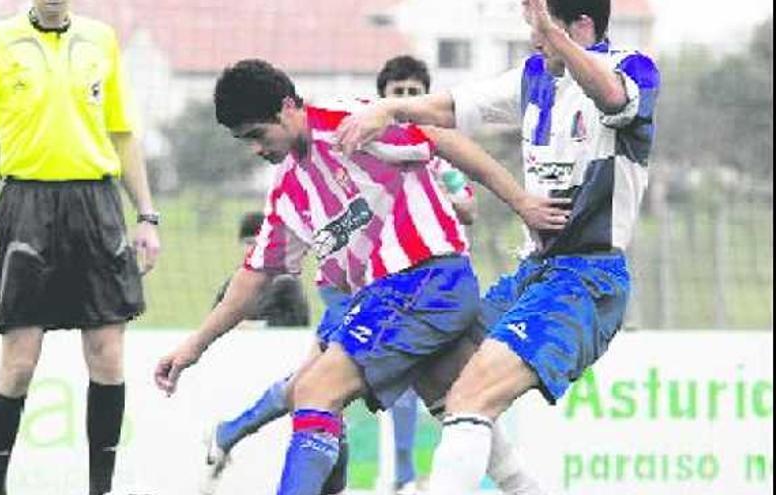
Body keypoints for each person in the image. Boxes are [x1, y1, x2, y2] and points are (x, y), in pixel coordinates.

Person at [154, 58, 567, 495]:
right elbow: (255, 275)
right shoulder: (288, 188)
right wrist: (193, 346)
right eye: (245, 141)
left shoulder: (345, 124)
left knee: (314, 390)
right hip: (389, 297)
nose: (256, 148)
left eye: (258, 134)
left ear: (289, 106)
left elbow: (441, 137)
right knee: (462, 410)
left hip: (426, 280)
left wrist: (521, 201)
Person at [335, 0, 660, 492]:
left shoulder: (630, 69)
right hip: (534, 274)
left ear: (581, 26)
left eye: (539, 28)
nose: (532, 39)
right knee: (436, 364)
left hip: (587, 281)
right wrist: (390, 108)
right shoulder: (534, 76)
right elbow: (452, 107)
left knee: (472, 396)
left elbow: (612, 96)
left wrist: (556, 35)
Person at [0, 2, 161, 494]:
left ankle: (100, 488)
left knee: (107, 353)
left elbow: (123, 133)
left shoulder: (101, 40)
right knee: (20, 360)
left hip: (97, 203)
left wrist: (146, 215)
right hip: (27, 204)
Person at [213, 211, 311, 327]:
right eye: (249, 243)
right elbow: (214, 320)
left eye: (259, 243)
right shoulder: (233, 283)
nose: (253, 249)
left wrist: (255, 327)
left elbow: (298, 322)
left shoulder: (286, 283)